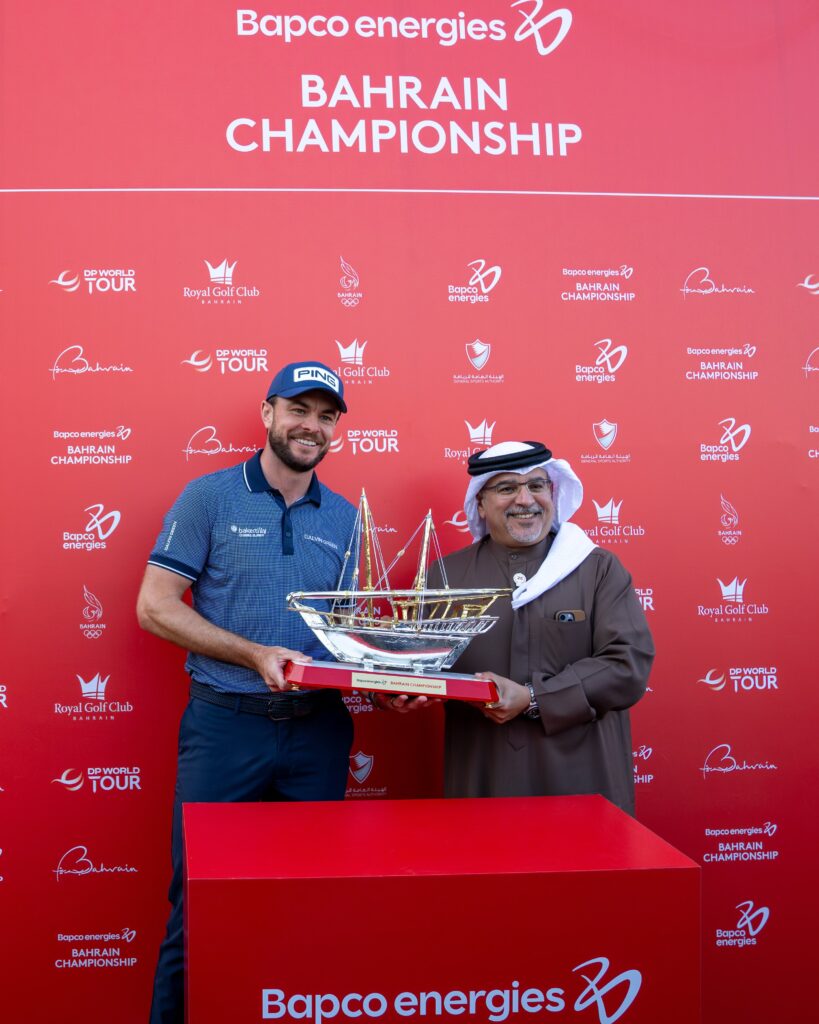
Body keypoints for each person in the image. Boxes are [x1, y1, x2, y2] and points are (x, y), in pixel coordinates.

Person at [136, 361, 357, 1024]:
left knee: (307, 906)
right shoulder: (209, 498)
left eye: (325, 416)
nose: (311, 426)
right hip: (226, 726)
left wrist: (390, 684)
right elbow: (154, 607)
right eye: (299, 410)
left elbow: (350, 637)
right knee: (198, 903)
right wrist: (254, 654)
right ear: (267, 414)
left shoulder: (347, 518)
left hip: (318, 729)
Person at [425, 440, 654, 813]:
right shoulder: (446, 576)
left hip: (582, 785)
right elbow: (417, 667)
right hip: (484, 782)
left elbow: (627, 665)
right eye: (506, 488)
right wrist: (388, 690)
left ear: (553, 493)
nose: (525, 499)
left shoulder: (597, 568)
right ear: (480, 503)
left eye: (536, 485)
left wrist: (534, 698)